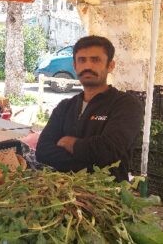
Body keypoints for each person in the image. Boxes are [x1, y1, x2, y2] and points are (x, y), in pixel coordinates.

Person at [35, 36, 143, 181]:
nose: (88, 66)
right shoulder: (65, 107)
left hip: (107, 195)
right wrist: (92, 162)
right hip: (62, 191)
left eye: (95, 60)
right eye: (82, 60)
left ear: (110, 66)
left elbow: (111, 150)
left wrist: (72, 144)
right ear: (74, 66)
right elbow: (43, 151)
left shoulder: (126, 105)